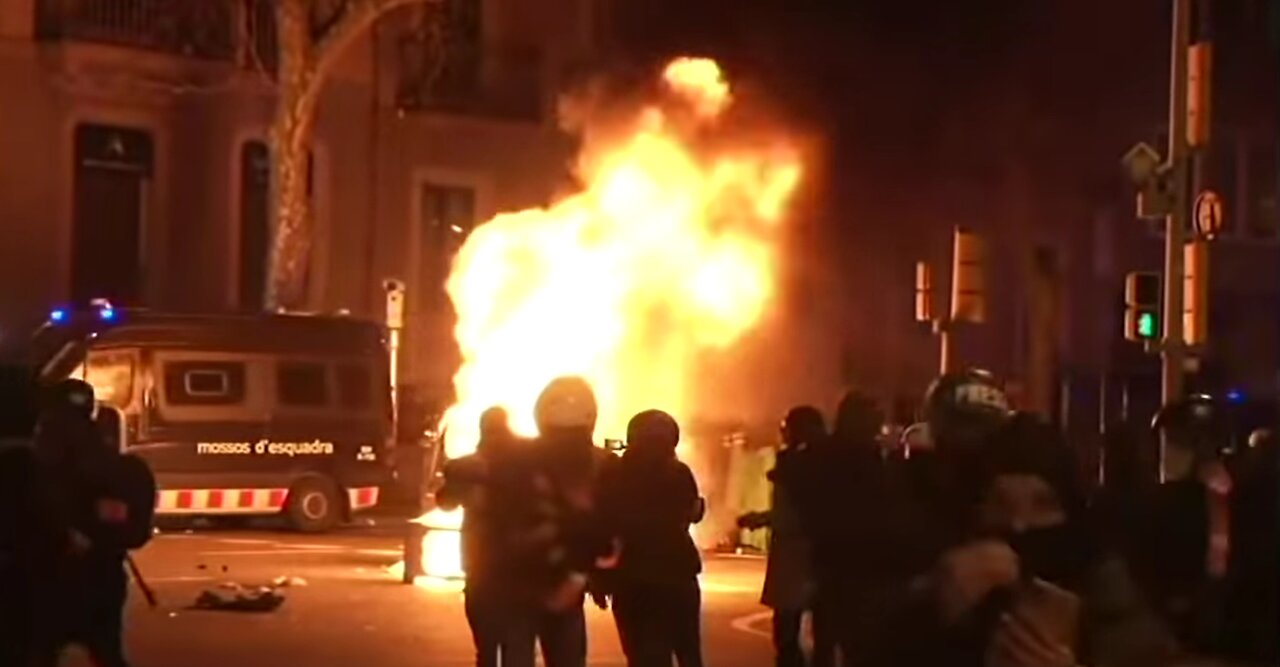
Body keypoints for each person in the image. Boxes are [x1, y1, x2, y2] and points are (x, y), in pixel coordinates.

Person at [876, 373, 1177, 667]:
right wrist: (932, 615)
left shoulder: (1103, 593)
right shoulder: (941, 575)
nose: (1019, 524)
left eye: (1042, 505)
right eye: (1000, 504)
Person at [29, 379, 156, 667]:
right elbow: (137, 533)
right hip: (100, 579)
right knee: (106, 652)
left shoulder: (33, 470)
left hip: (49, 581)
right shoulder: (126, 469)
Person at [492, 376, 613, 667]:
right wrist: (592, 576)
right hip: (566, 585)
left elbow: (497, 522)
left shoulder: (514, 459)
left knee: (518, 655)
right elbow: (604, 528)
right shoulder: (601, 464)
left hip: (518, 584)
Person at [597, 409, 705, 667]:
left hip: (632, 578)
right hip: (678, 576)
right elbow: (692, 513)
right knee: (688, 651)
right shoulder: (678, 472)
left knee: (642, 655)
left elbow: (603, 524)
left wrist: (599, 578)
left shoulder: (614, 472)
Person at [739, 406, 827, 667]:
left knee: (789, 634)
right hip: (818, 558)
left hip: (799, 557)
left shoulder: (797, 464)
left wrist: (762, 519)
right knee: (820, 636)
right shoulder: (822, 462)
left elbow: (794, 515)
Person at [437, 406, 522, 667]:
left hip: (480, 562)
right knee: (515, 647)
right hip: (518, 565)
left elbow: (445, 502)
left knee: (486, 648)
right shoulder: (526, 465)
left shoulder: (465, 467)